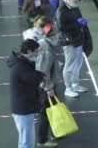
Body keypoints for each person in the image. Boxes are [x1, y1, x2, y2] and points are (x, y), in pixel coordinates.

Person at [8, 39, 44, 148]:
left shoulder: (20, 63)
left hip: (22, 107)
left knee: (26, 138)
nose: (37, 54)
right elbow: (33, 78)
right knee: (26, 141)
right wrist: (43, 76)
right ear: (28, 51)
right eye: (36, 52)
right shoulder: (21, 67)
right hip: (24, 108)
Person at [33, 17, 61, 147]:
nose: (58, 36)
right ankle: (42, 140)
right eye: (56, 33)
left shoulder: (45, 44)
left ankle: (53, 132)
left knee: (49, 109)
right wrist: (49, 88)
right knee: (46, 112)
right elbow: (42, 71)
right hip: (46, 87)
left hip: (46, 85)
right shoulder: (46, 47)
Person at [57, 0, 87, 98]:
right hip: (69, 41)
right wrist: (77, 24)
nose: (76, 4)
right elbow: (61, 27)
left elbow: (78, 19)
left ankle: (75, 84)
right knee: (69, 65)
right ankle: (68, 88)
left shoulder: (73, 8)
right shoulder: (61, 11)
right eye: (75, 1)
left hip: (77, 39)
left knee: (78, 62)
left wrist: (81, 22)